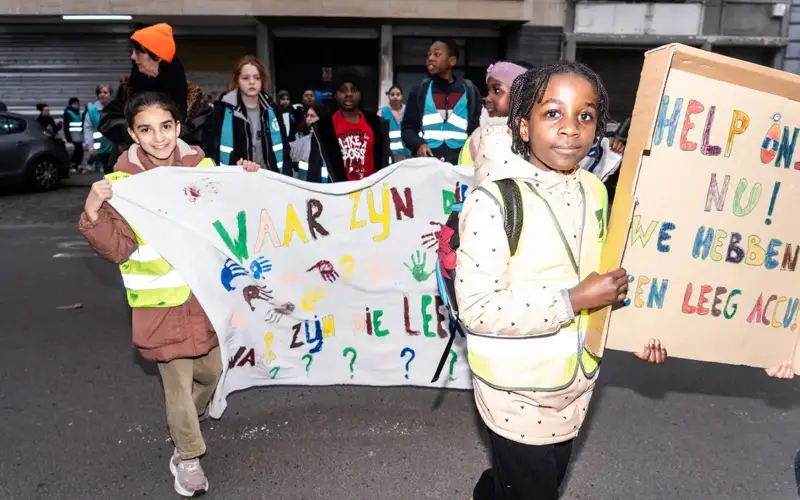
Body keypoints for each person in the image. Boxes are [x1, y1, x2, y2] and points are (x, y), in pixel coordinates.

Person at [454, 61, 668, 500]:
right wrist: (572, 299)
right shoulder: (494, 199)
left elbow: (607, 279)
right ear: (523, 126)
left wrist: (639, 329)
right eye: (553, 113)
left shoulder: (593, 190)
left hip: (575, 382)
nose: (571, 129)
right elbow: (476, 308)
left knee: (535, 481)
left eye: (585, 115)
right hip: (515, 390)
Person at [79, 91, 258, 498]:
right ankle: (189, 455)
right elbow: (118, 248)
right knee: (176, 383)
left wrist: (247, 181)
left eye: (165, 126)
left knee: (212, 372)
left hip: (205, 301)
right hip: (157, 304)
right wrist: (93, 211)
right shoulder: (122, 186)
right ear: (132, 135)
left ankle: (185, 425)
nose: (158, 138)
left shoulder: (203, 169)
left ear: (178, 127)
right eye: (146, 129)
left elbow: (233, 218)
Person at [99, 23, 210, 156]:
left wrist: (163, 135)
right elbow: (108, 120)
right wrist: (138, 132)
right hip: (132, 165)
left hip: (178, 167)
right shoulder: (127, 88)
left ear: (157, 56)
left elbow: (201, 131)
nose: (133, 57)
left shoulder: (192, 94)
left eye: (139, 51)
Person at [203, 55, 292, 175]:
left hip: (270, 179)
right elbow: (211, 149)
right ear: (237, 81)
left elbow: (284, 149)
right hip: (234, 180)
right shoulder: (222, 109)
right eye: (245, 78)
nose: (252, 82)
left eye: (257, 78)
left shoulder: (272, 109)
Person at [401, 39, 482, 164]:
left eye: (436, 54)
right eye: (429, 54)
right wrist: (419, 145)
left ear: (452, 61)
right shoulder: (419, 90)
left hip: (461, 167)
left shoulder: (470, 91)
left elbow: (478, 129)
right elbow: (407, 128)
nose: (431, 58)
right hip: (427, 165)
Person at [306, 71, 389, 182]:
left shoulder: (377, 124)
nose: (349, 94)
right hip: (339, 195)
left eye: (353, 90)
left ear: (360, 94)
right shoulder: (322, 128)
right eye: (343, 90)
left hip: (370, 194)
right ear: (335, 94)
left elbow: (384, 163)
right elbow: (314, 170)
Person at [458, 61, 531, 168]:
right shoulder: (475, 140)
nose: (488, 98)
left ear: (520, 98)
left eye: (497, 91)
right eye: (488, 91)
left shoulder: (532, 140)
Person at [291, 104, 330, 182]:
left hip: (324, 183)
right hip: (305, 181)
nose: (308, 119)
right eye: (307, 115)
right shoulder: (301, 134)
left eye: (312, 116)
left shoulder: (328, 138)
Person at [84, 84, 115, 173]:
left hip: (115, 146)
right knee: (108, 169)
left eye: (105, 92)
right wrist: (90, 145)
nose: (102, 94)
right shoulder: (92, 110)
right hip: (102, 147)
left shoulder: (115, 108)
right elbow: (88, 128)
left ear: (110, 94)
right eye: (100, 92)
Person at [378, 85, 411, 163]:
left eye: (398, 94)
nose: (395, 97)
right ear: (389, 96)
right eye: (392, 95)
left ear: (402, 96)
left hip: (408, 155)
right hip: (390, 156)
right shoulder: (382, 112)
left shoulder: (408, 111)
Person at [63, 97, 85, 171]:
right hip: (72, 136)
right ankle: (73, 165)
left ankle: (77, 165)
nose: (76, 105)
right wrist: (68, 137)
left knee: (80, 151)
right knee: (76, 151)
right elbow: (66, 126)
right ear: (71, 104)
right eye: (74, 104)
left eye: (77, 104)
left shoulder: (78, 113)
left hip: (78, 136)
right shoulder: (68, 113)